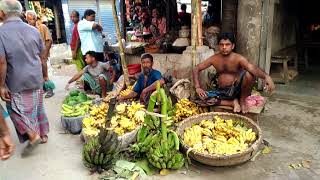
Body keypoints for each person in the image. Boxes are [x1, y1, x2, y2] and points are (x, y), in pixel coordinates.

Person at [0, 0, 49, 156]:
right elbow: (42, 56)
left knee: (16, 111)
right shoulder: (33, 30)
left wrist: (1, 85)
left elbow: (2, 61)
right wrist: (44, 75)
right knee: (37, 107)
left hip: (16, 80)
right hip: (35, 76)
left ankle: (32, 135)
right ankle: (43, 134)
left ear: (2, 13)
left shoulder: (1, 33)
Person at [193, 32, 275, 113]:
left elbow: (252, 68)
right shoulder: (214, 59)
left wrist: (266, 77)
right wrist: (197, 87)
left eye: (227, 44)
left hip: (238, 91)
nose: (224, 47)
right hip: (223, 92)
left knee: (249, 74)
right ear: (218, 46)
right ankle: (232, 103)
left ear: (232, 46)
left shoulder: (239, 58)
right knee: (199, 99)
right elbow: (196, 68)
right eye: (221, 44)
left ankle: (242, 101)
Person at [25, 10, 55, 98]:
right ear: (26, 19)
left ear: (36, 19)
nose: (32, 21)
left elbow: (49, 41)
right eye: (29, 19)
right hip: (33, 56)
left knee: (45, 74)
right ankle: (42, 89)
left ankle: (50, 89)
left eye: (33, 19)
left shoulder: (42, 27)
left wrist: (44, 54)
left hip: (43, 55)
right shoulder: (26, 29)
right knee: (37, 74)